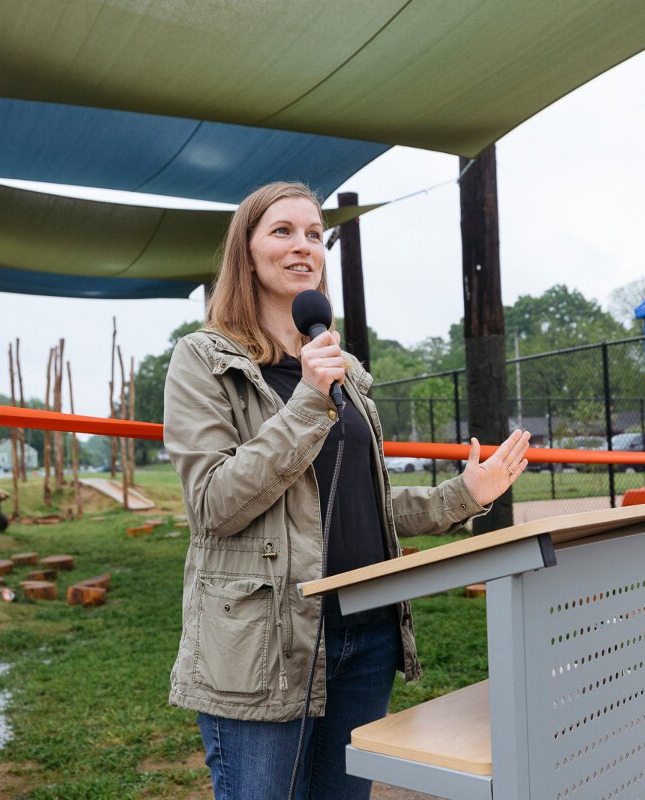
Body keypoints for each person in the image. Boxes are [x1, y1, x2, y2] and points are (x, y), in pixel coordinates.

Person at [162, 181, 530, 800]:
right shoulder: (202, 360)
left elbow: (361, 503)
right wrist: (307, 401)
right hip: (267, 643)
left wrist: (465, 493)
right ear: (245, 252)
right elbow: (212, 505)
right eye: (282, 231)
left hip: (365, 630)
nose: (303, 245)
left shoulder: (346, 370)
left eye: (314, 233)